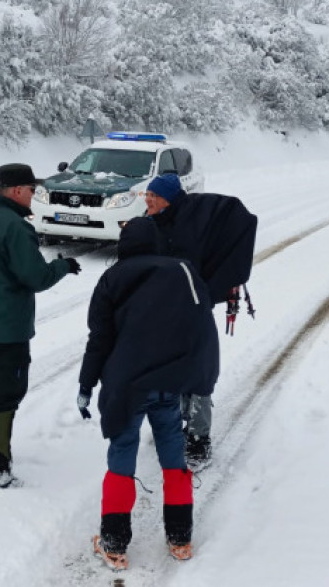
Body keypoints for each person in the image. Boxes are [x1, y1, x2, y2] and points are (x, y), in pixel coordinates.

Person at [77, 218, 219, 570]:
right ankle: (181, 538)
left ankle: (113, 543)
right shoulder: (182, 271)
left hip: (127, 382)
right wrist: (197, 373)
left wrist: (86, 384)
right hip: (168, 380)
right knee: (173, 451)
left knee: (123, 450)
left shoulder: (113, 278)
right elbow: (200, 322)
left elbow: (100, 338)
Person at [0, 163, 81, 489]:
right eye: (32, 191)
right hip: (5, 328)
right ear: (18, 190)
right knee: (6, 391)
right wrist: (63, 266)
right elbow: (35, 277)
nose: (34, 197)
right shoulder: (15, 227)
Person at [143, 173, 257, 469]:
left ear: (168, 199)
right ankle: (174, 425)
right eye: (147, 195)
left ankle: (198, 439)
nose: (147, 200)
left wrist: (207, 290)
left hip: (192, 310)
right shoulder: (157, 222)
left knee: (197, 371)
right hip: (164, 310)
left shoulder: (186, 227)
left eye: (153, 196)